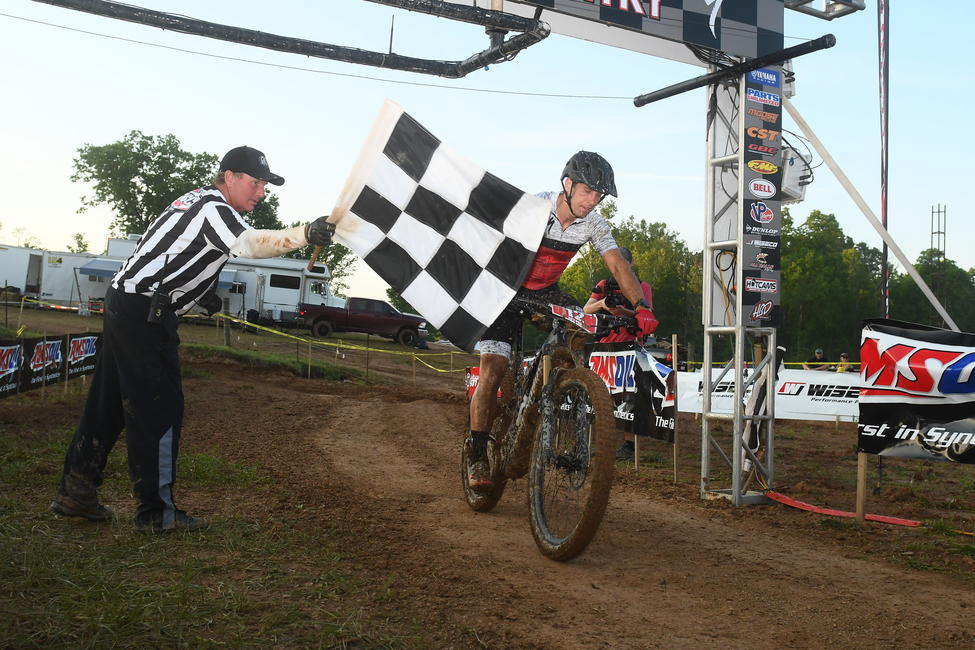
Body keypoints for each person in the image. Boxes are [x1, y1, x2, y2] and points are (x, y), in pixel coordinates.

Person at [50, 146, 336, 533]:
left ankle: (76, 492)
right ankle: (156, 513)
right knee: (160, 410)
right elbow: (249, 246)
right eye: (255, 183)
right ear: (230, 176)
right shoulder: (213, 209)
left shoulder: (196, 202)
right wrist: (304, 234)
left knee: (109, 403)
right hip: (145, 314)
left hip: (130, 304)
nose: (261, 192)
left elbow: (169, 252)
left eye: (265, 185)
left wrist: (199, 293)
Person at [466, 152, 658, 489]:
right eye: (587, 192)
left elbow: (616, 265)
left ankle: (558, 395)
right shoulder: (534, 209)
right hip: (504, 291)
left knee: (582, 330)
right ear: (567, 184)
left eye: (599, 195)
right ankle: (477, 452)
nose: (593, 201)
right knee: (493, 368)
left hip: (545, 291)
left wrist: (641, 306)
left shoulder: (594, 222)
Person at [583, 246, 654, 461]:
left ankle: (629, 446)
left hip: (630, 346)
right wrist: (603, 303)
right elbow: (585, 309)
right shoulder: (604, 285)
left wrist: (623, 311)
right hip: (604, 347)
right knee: (601, 396)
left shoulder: (642, 287)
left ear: (630, 264)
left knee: (629, 397)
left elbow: (648, 314)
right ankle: (602, 443)